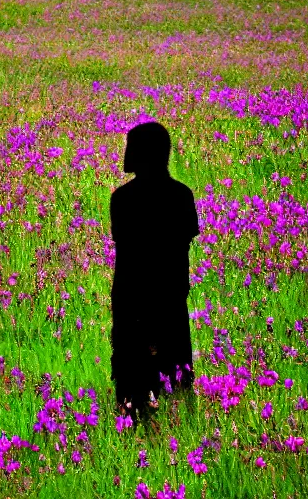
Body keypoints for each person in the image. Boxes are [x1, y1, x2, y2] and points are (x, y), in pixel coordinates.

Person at [110, 122, 199, 421]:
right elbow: (182, 243)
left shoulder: (122, 200)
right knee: (174, 368)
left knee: (133, 375)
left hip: (131, 296)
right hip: (170, 295)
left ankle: (135, 420)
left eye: (131, 147)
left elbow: (126, 250)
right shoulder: (181, 196)